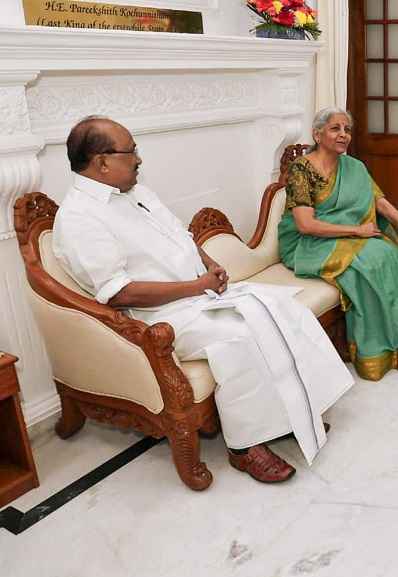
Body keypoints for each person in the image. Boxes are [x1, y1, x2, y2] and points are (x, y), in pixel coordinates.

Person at [53, 116, 354, 484]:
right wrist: (197, 286)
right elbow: (120, 292)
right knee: (240, 337)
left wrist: (209, 263)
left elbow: (180, 237)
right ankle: (245, 447)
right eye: (131, 151)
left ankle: (292, 412)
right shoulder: (79, 218)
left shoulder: (137, 193)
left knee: (281, 308)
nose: (138, 160)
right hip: (157, 317)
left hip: (199, 294)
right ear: (101, 161)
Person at [278, 107, 398, 381]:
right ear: (318, 134)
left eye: (347, 129)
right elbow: (305, 225)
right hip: (308, 243)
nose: (343, 135)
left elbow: (377, 199)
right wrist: (357, 230)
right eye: (335, 129)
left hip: (348, 234)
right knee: (374, 261)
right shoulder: (301, 170)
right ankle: (375, 349)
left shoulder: (354, 167)